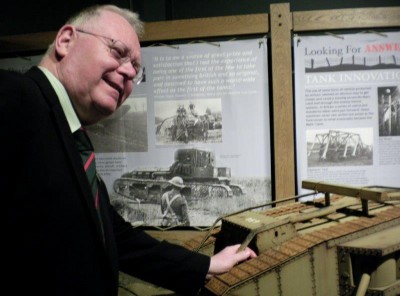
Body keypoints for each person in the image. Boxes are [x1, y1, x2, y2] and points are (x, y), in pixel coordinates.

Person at [0, 4, 256, 296]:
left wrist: (205, 265)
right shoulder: (12, 99)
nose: (127, 72)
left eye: (135, 70)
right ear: (66, 40)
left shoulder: (68, 135)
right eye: (118, 51)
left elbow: (117, 239)